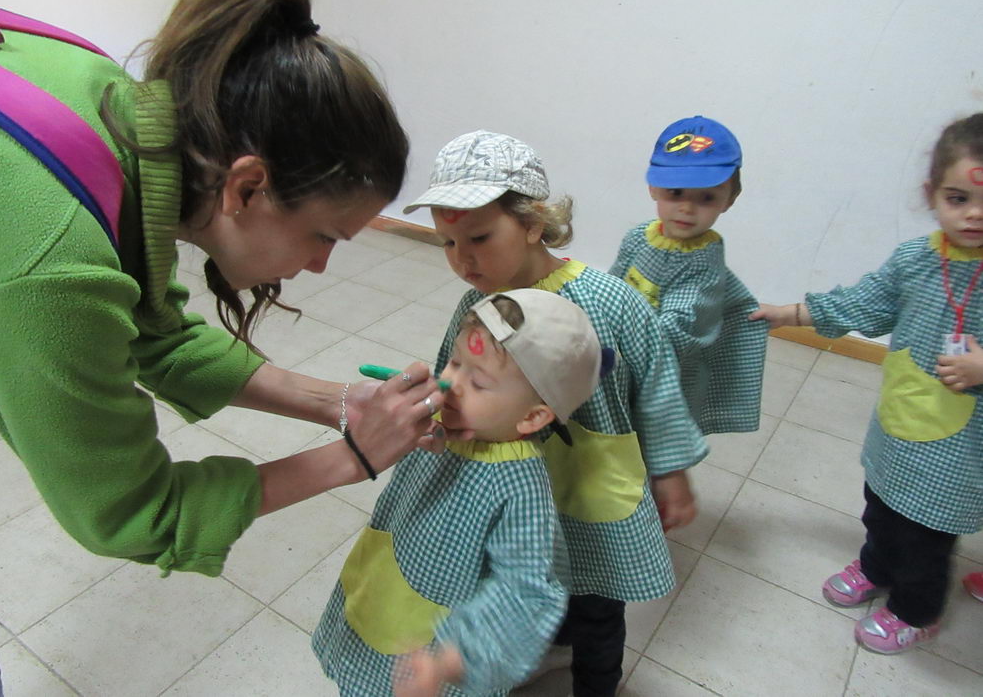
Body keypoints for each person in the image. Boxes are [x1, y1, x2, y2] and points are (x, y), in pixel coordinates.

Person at [0, 0, 442, 694]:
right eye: (324, 236)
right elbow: (132, 515)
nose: (322, 267)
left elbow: (153, 329)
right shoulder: (48, 269)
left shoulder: (112, 101)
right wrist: (352, 458)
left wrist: (338, 404)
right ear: (246, 186)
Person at [404, 130, 707, 697]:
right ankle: (542, 643)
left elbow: (659, 390)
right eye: (447, 243)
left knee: (596, 607)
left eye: (479, 237)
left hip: (592, 488)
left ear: (533, 223)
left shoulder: (610, 302)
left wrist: (671, 472)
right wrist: (446, 410)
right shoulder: (478, 304)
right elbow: (457, 378)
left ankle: (595, 685)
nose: (463, 259)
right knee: (531, 579)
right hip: (516, 485)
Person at [750, 113, 983, 654]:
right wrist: (789, 312)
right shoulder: (915, 259)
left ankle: (916, 610)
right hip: (901, 422)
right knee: (881, 501)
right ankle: (877, 564)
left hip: (961, 444)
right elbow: (863, 301)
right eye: (957, 199)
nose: (974, 215)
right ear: (931, 194)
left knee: (928, 535)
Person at [313, 288, 602, 696]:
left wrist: (450, 660)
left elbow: (526, 590)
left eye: (478, 382)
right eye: (454, 362)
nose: (450, 384)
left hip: (434, 657)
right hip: (384, 591)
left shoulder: (518, 485)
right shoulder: (440, 426)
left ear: (533, 416)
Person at [608, 115, 767, 434]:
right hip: (620, 360)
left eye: (707, 197)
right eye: (676, 192)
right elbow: (611, 287)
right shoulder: (639, 237)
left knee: (645, 452)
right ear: (653, 187)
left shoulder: (703, 266)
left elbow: (677, 331)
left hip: (664, 380)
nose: (687, 208)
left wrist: (608, 342)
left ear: (729, 200)